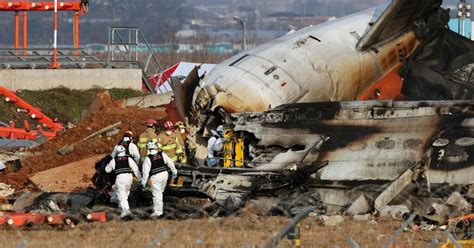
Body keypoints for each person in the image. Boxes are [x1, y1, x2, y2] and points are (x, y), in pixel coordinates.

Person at [141, 141, 178, 218]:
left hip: (155, 177)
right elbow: (170, 162)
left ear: (148, 148)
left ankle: (158, 212)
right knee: (160, 192)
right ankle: (160, 206)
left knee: (157, 194)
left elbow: (145, 172)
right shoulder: (162, 154)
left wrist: (143, 183)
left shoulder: (148, 158)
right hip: (165, 174)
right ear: (156, 146)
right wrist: (174, 171)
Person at [105, 145, 141, 218]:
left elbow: (107, 170)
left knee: (122, 195)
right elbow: (135, 168)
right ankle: (120, 207)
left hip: (120, 178)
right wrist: (140, 178)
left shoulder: (114, 160)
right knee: (125, 193)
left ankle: (126, 210)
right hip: (129, 178)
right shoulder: (129, 159)